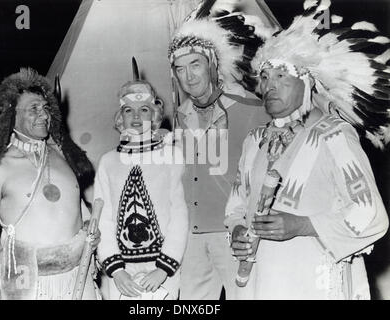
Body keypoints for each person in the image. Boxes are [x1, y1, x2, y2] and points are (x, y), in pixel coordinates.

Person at [225, 0, 390, 299]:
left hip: (311, 278)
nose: (269, 86)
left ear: (307, 82)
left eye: (281, 76)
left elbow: (371, 214)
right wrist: (237, 231)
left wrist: (303, 225)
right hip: (259, 281)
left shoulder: (334, 135)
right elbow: (237, 205)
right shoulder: (254, 141)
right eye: (265, 77)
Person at [0, 68, 99, 300]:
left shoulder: (64, 155)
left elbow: (77, 204)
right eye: (34, 109)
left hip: (78, 276)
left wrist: (89, 228)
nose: (44, 115)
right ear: (12, 115)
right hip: (27, 283)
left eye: (45, 108)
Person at [168, 3, 272, 300]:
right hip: (191, 236)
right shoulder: (180, 116)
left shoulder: (252, 109)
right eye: (180, 68)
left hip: (236, 235)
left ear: (213, 64)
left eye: (195, 65)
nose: (188, 77)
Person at [94, 61, 188, 300]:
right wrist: (117, 272)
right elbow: (103, 219)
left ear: (154, 116)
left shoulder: (172, 156)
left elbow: (179, 213)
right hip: (122, 274)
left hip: (163, 271)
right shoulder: (108, 161)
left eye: (144, 109)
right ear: (120, 118)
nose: (136, 116)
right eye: (129, 110)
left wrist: (163, 268)